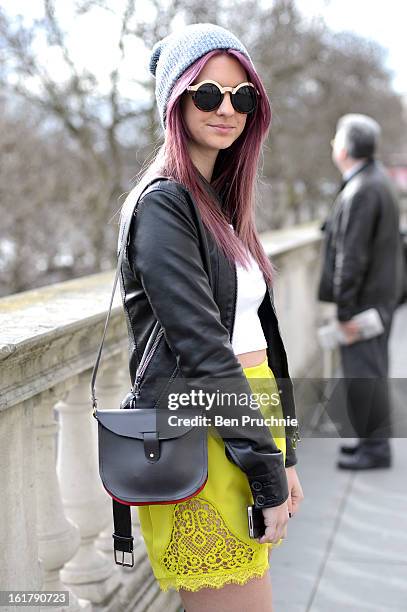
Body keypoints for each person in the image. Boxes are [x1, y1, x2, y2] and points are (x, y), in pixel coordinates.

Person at [118, 23, 304, 611]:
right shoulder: (164, 204)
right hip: (206, 430)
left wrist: (286, 451)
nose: (228, 108)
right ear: (175, 101)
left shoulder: (219, 204)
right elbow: (203, 351)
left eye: (242, 96)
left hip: (249, 422)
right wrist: (267, 469)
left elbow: (261, 338)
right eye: (208, 93)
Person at [318, 113, 404, 470]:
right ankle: (370, 443)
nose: (333, 144)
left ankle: (375, 450)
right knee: (369, 374)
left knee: (365, 376)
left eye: (337, 137)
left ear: (348, 148)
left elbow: (351, 256)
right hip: (378, 300)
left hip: (364, 305)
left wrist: (344, 308)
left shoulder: (362, 188)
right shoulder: (374, 181)